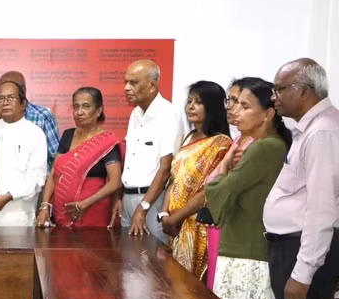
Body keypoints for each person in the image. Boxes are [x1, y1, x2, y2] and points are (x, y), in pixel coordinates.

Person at [205, 77, 291, 299]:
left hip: (247, 251)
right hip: (244, 247)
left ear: (267, 114)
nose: (236, 111)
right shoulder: (265, 145)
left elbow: (217, 190)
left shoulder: (265, 147)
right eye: (236, 104)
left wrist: (225, 164)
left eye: (245, 106)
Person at [264, 58, 339, 299]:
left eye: (279, 89)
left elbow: (322, 209)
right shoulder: (310, 128)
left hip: (302, 250)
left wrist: (302, 274)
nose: (273, 97)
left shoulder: (322, 132)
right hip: (290, 246)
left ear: (303, 90)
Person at [160, 81, 231, 280]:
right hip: (175, 225)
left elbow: (207, 192)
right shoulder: (189, 137)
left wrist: (175, 218)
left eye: (198, 102)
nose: (191, 106)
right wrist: (165, 214)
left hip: (196, 225)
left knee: (190, 292)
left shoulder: (221, 144)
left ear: (213, 107)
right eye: (189, 101)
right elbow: (174, 180)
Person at [36, 87, 122, 228]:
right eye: (76, 106)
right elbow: (53, 174)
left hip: (93, 212)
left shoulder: (107, 141)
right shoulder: (68, 135)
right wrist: (45, 206)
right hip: (62, 213)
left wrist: (84, 204)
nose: (79, 112)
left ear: (99, 110)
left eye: (86, 106)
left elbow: (115, 182)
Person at [120, 59, 185, 243]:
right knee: (128, 264)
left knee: (150, 265)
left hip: (151, 201)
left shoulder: (168, 114)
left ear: (152, 85)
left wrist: (143, 207)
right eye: (126, 82)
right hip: (128, 199)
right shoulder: (135, 114)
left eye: (133, 82)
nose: (126, 88)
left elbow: (165, 168)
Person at [204, 79, 255, 290]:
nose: (231, 108)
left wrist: (224, 167)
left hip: (234, 227)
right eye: (230, 100)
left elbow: (221, 186)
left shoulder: (253, 145)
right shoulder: (238, 141)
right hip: (220, 223)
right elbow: (212, 182)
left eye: (240, 103)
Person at [0, 76, 47, 226]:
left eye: (11, 98)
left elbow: (37, 179)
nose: (5, 102)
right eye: (1, 98)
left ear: (23, 104)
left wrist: (9, 196)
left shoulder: (35, 133)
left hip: (18, 218)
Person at [0, 71, 60, 171]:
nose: (6, 101)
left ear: (23, 91)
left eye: (11, 96)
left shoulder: (42, 116)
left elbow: (55, 157)